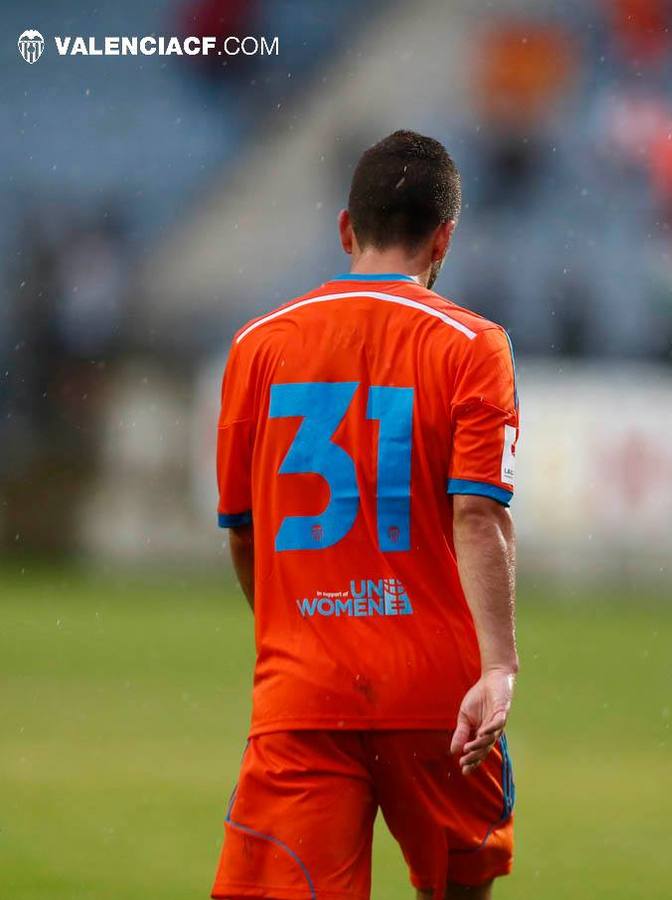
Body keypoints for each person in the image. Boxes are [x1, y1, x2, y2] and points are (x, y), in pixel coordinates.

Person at [212, 130, 520, 900]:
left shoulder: (256, 345)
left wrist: (300, 633)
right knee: (458, 889)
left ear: (346, 227)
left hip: (306, 685)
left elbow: (244, 529)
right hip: (435, 690)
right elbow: (478, 515)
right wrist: (497, 668)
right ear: (443, 238)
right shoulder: (473, 345)